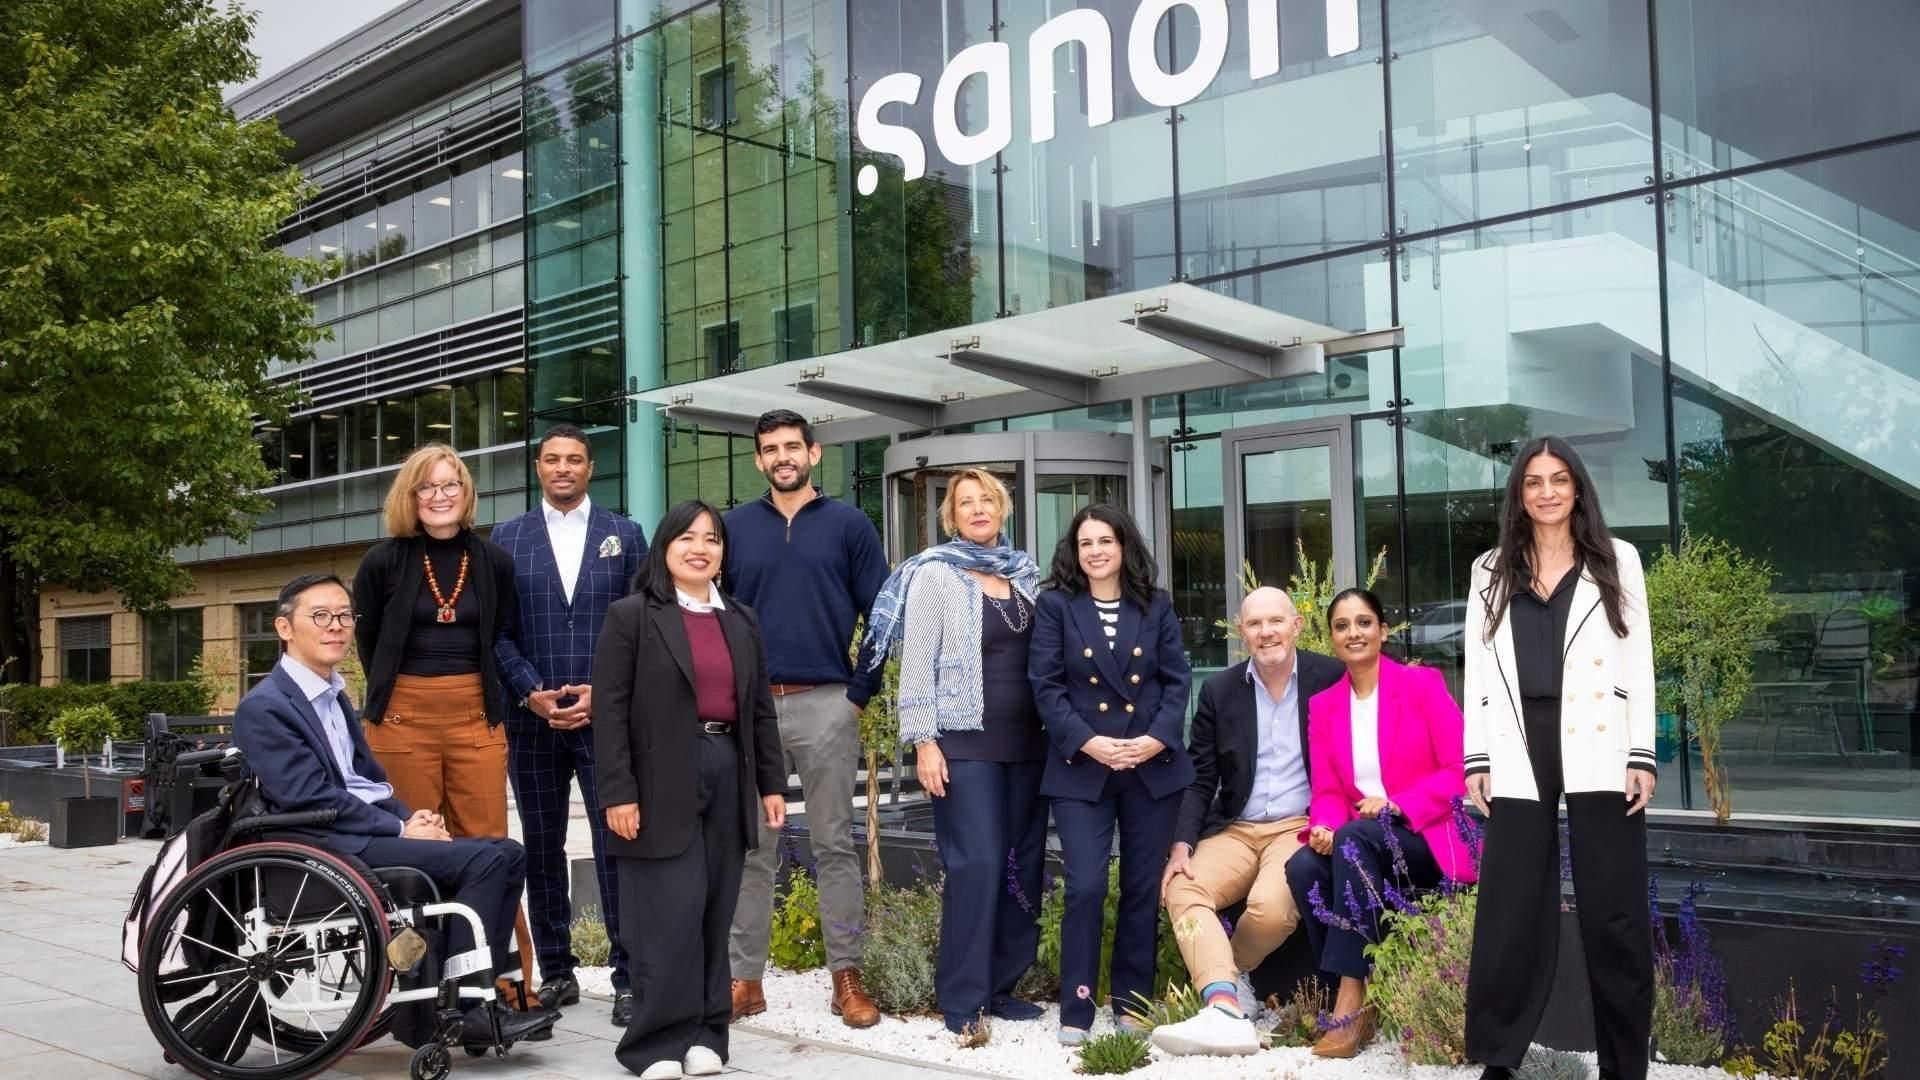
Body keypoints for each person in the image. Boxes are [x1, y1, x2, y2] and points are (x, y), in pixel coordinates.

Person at [232, 573, 557, 1047]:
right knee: (490, 859)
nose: (336, 627)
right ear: (284, 628)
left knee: (508, 854)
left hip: (356, 832)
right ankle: (462, 1008)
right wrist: (400, 826)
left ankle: (453, 1002)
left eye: (344, 616)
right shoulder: (266, 706)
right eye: (320, 616)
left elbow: (367, 781)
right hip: (325, 846)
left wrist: (412, 817)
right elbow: (310, 796)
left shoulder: (332, 696)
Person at [1462, 436, 1657, 1080]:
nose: (1547, 492)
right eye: (1534, 481)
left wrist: (1642, 751)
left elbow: (1638, 658)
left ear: (1578, 489)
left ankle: (1625, 1066)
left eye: (1560, 479)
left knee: (1616, 909)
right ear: (1519, 493)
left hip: (1600, 742)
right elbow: (1479, 672)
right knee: (1510, 907)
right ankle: (1498, 1057)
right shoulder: (1489, 569)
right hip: (1519, 742)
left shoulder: (1616, 559)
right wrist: (1477, 756)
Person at [592, 500, 787, 1079]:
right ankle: (652, 1046)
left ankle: (707, 1035)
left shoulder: (742, 620)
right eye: (687, 537)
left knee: (713, 908)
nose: (700, 547)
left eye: (712, 539)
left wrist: (772, 784)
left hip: (728, 765)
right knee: (666, 915)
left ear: (724, 554)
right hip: (657, 780)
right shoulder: (632, 616)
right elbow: (610, 711)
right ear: (665, 547)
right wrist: (617, 792)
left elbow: (758, 712)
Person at [863, 469, 1046, 1035]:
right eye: (965, 502)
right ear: (951, 516)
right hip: (964, 745)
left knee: (1023, 865)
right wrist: (925, 742)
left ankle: (1002, 984)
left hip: (1030, 747)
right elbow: (916, 662)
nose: (977, 509)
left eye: (986, 499)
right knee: (978, 863)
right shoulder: (935, 576)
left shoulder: (1026, 577)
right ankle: (962, 996)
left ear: (1003, 508)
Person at [723, 409, 888, 1028]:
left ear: (814, 454)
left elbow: (885, 614)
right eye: (770, 449)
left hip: (827, 703)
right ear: (760, 459)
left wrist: (860, 691)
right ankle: (745, 981)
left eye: (793, 446)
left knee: (834, 845)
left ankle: (847, 976)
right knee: (752, 848)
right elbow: (713, 616)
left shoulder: (848, 524)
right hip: (752, 709)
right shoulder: (734, 528)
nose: (782, 457)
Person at [352, 443, 534, 1002]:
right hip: (403, 719)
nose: (439, 496)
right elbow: (369, 643)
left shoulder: (494, 561)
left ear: (466, 493)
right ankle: (421, 990)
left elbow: (503, 633)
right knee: (417, 849)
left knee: (490, 847)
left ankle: (501, 984)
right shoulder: (382, 561)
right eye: (426, 487)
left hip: (476, 717)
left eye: (449, 485)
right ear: (410, 496)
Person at [492, 423, 648, 1025]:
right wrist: (530, 692)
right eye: (553, 459)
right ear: (538, 468)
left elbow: (642, 624)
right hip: (532, 722)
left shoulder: (624, 534)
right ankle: (557, 973)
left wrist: (605, 692)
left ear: (591, 468)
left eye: (575, 460)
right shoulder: (506, 540)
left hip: (605, 718)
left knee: (617, 843)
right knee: (542, 847)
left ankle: (629, 976)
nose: (564, 468)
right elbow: (496, 635)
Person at [1148, 586, 1345, 1058]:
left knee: (1271, 911)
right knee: (1182, 886)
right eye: (1254, 624)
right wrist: (1182, 846)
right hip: (1239, 827)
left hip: (1298, 825)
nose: (1266, 632)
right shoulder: (1219, 690)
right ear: (1242, 633)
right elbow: (1200, 779)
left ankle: (1229, 982)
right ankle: (1222, 1003)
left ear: (1296, 625)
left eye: (1275, 621)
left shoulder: (1330, 677)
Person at [1282, 588, 1476, 1058]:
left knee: (1354, 838)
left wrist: (1398, 805)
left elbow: (1460, 770)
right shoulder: (1325, 706)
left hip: (1426, 836)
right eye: (1343, 625)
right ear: (1332, 638)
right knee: (1303, 866)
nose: (1354, 632)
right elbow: (1328, 790)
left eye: (1364, 622)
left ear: (1383, 631)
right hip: (1362, 840)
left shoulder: (1422, 685)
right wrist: (1324, 825)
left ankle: (1353, 995)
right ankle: (1343, 987)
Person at [1030, 503, 1194, 1045]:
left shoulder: (1156, 605)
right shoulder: (1055, 605)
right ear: (1074, 552)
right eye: (1085, 543)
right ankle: (1076, 1005)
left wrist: (1154, 739)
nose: (1096, 551)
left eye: (1105, 540)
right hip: (1083, 767)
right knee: (1085, 885)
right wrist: (1091, 741)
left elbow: (1176, 681)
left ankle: (1132, 1002)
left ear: (1124, 546)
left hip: (1151, 767)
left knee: (1142, 889)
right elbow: (1046, 686)